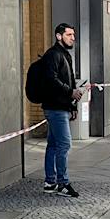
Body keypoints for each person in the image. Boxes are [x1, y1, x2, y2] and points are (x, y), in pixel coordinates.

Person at [26, 22, 84, 197]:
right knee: (64, 144)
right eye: (68, 35)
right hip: (54, 108)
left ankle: (50, 182)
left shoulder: (65, 55)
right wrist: (70, 92)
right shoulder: (53, 55)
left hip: (62, 107)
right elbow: (51, 80)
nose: (72, 38)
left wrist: (72, 106)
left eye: (73, 35)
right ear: (58, 36)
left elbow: (71, 79)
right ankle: (62, 183)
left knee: (53, 145)